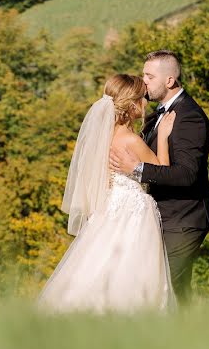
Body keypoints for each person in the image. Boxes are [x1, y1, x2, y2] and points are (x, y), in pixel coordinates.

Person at [38, 74, 177, 314]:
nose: (146, 102)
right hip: (134, 211)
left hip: (109, 208)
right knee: (134, 269)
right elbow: (162, 171)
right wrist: (163, 136)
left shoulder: (104, 138)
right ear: (133, 104)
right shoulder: (130, 140)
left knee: (98, 263)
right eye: (143, 98)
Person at [110, 50, 209, 305]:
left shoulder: (189, 117)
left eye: (149, 76)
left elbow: (187, 174)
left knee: (170, 291)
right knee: (161, 292)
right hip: (156, 218)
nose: (143, 81)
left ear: (169, 81)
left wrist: (137, 169)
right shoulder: (157, 114)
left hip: (182, 220)